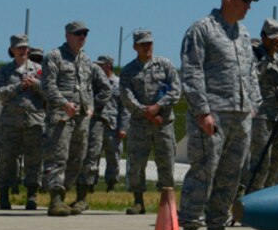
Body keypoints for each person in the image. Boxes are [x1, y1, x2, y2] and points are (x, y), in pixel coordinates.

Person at [178, 0, 261, 230]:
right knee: (204, 172)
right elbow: (191, 72)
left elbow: (250, 73)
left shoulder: (244, 34)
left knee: (230, 174)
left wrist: (253, 105)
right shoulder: (202, 29)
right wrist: (202, 111)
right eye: (245, 0)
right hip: (212, 115)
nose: (249, 6)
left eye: (251, 1)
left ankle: (217, 229)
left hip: (240, 115)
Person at [0, 34, 45, 210]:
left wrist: (35, 84)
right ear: (12, 50)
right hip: (10, 122)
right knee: (7, 159)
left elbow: (50, 93)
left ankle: (32, 195)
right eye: (19, 48)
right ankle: (4, 194)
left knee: (34, 159)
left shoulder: (39, 70)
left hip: (34, 121)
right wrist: (18, 87)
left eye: (25, 47)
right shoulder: (6, 71)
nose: (22, 51)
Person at [117, 28, 180, 214]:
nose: (147, 47)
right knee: (136, 163)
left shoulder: (165, 65)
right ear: (135, 46)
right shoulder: (128, 71)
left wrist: (158, 106)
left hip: (164, 123)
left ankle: (166, 203)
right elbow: (126, 96)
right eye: (143, 44)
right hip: (140, 124)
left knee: (167, 161)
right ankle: (138, 201)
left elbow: (176, 90)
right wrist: (146, 111)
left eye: (149, 43)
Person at [41, 21, 100, 216]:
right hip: (61, 117)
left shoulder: (86, 59)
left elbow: (88, 86)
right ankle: (55, 200)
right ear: (67, 35)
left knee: (77, 158)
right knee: (58, 157)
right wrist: (64, 104)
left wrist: (90, 106)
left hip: (81, 117)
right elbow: (48, 86)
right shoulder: (54, 56)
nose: (81, 37)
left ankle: (64, 196)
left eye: (84, 34)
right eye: (78, 34)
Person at [245, 19, 278, 189]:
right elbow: (253, 77)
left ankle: (270, 199)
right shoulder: (255, 54)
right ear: (263, 37)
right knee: (262, 162)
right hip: (262, 116)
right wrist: (268, 56)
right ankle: (253, 198)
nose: (275, 42)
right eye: (272, 38)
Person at [84, 54, 122, 192]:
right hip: (96, 122)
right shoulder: (94, 82)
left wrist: (123, 127)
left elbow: (124, 108)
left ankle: (111, 183)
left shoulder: (118, 83)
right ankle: (90, 183)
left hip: (112, 125)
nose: (98, 68)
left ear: (108, 66)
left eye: (101, 66)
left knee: (113, 155)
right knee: (93, 154)